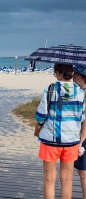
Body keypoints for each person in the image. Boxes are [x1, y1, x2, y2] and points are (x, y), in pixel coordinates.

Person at [35, 63, 85, 199]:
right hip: (71, 141)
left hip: (50, 141)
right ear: (72, 74)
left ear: (58, 74)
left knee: (49, 180)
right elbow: (82, 117)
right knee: (67, 180)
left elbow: (40, 116)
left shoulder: (50, 90)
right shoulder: (81, 92)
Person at [73, 65, 86, 198]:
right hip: (81, 135)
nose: (73, 75)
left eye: (76, 73)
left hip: (84, 136)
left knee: (82, 171)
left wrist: (80, 142)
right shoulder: (80, 92)